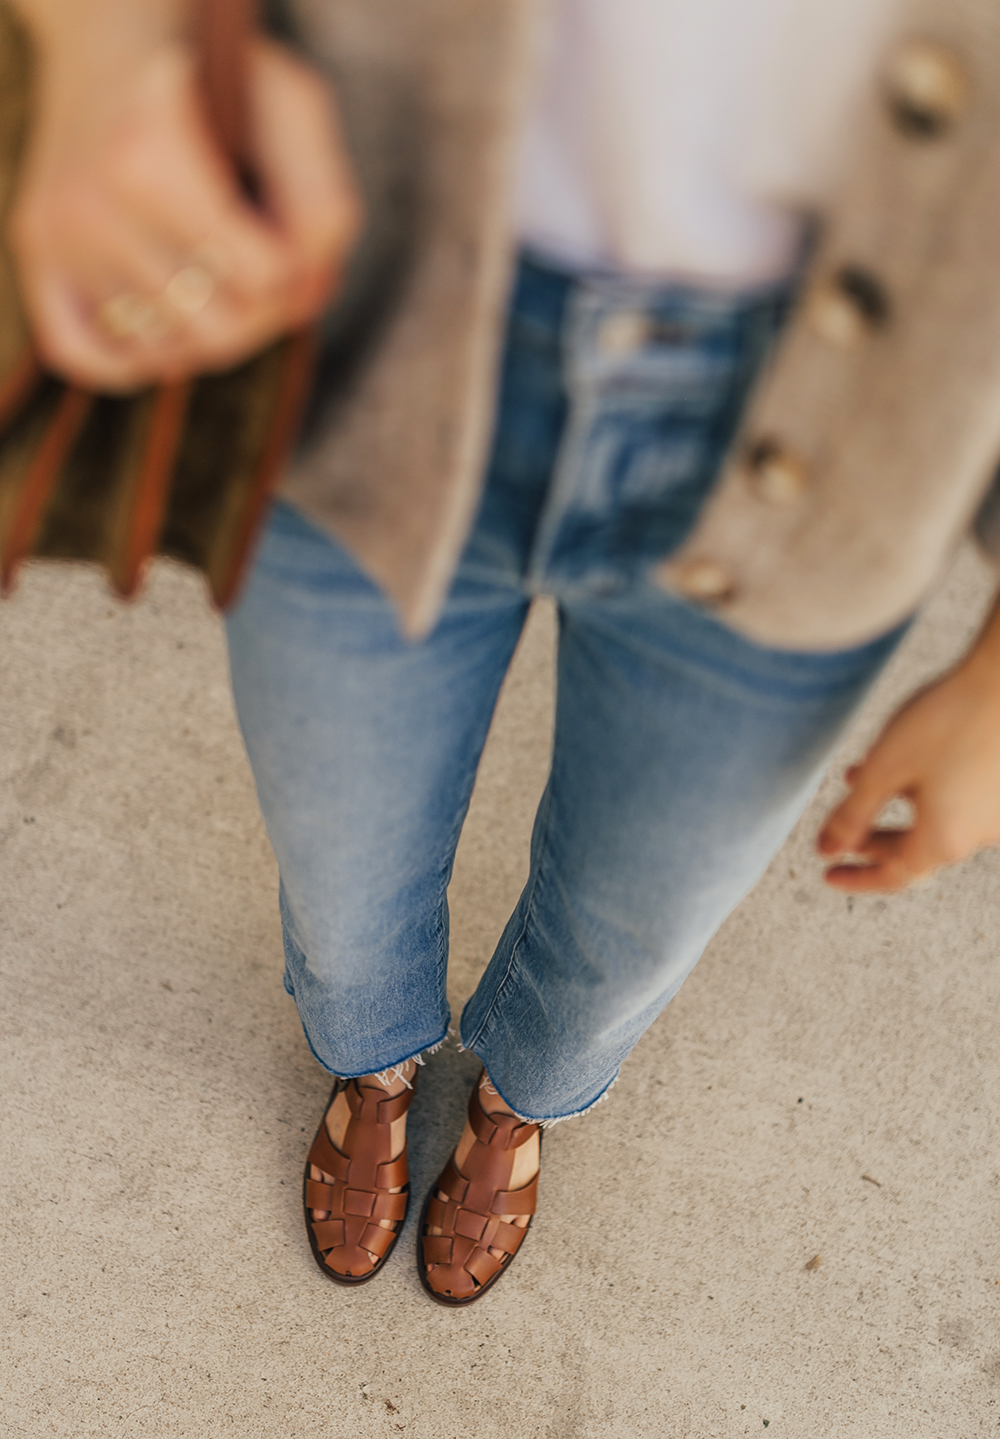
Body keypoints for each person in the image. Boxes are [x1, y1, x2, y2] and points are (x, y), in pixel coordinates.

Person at [9, 0, 1000, 1306]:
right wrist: (101, 47)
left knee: (636, 920)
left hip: (843, 434)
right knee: (339, 860)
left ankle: (516, 1104)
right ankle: (376, 1063)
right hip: (367, 313)